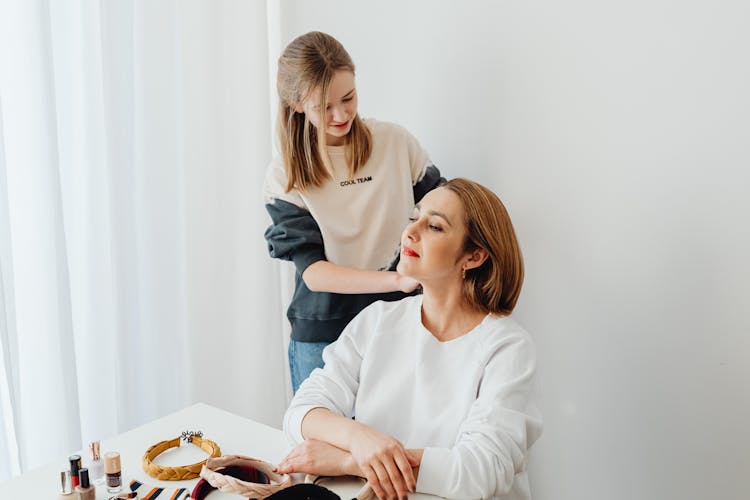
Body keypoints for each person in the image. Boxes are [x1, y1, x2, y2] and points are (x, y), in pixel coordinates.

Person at [276, 179, 543, 500]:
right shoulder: (377, 321)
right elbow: (300, 414)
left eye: (435, 226)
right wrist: (360, 439)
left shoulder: (507, 347)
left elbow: (480, 472)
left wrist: (351, 460)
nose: (411, 233)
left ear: (474, 256)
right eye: (413, 218)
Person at [263, 31, 443, 392]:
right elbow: (314, 273)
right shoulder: (287, 174)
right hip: (325, 335)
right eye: (324, 107)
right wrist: (397, 281)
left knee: (398, 445)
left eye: (348, 98)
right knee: (322, 447)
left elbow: (442, 210)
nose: (341, 114)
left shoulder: (394, 142)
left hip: (400, 323)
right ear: (298, 105)